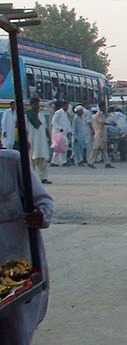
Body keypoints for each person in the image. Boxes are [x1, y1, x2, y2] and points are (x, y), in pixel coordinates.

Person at [0, 145, 55, 343]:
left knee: (16, 332)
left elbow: (45, 203)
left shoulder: (11, 161)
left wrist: (40, 216)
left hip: (15, 266)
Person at [26, 98, 51, 184]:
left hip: (42, 140)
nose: (37, 106)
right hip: (31, 140)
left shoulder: (41, 114)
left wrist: (49, 138)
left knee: (43, 159)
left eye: (38, 104)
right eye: (35, 104)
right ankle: (32, 179)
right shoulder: (27, 115)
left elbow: (45, 127)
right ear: (31, 105)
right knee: (31, 160)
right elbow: (24, 129)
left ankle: (43, 178)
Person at [88, 102, 114, 169]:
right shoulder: (99, 114)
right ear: (102, 106)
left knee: (104, 150)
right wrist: (111, 123)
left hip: (101, 134)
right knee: (96, 149)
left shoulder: (99, 114)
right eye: (105, 106)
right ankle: (90, 162)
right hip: (99, 134)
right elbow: (102, 121)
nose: (105, 108)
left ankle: (107, 163)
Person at [50, 100, 72, 168]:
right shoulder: (58, 112)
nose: (67, 107)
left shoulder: (65, 113)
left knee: (59, 147)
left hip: (63, 133)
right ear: (63, 106)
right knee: (63, 146)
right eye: (66, 106)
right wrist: (59, 128)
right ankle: (63, 161)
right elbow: (53, 121)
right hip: (58, 133)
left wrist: (69, 130)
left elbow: (67, 123)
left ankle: (54, 161)